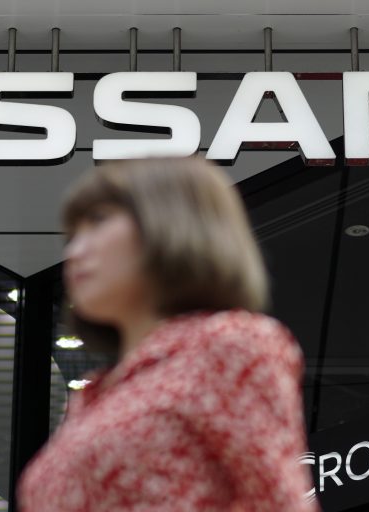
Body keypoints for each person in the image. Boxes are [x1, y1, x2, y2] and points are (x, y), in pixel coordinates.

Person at [17, 157, 319, 511]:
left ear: (171, 223)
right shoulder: (95, 395)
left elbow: (276, 502)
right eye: (71, 235)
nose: (74, 251)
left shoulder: (227, 347)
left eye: (97, 221)